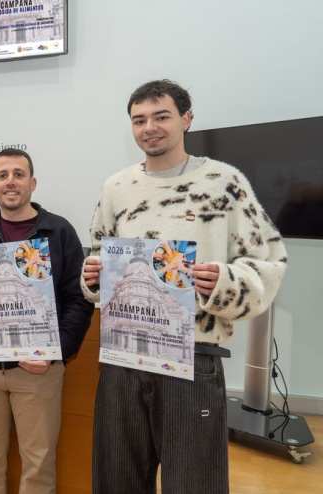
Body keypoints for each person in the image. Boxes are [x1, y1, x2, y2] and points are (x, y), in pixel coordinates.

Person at [81, 80, 288, 493]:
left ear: (186, 119)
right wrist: (93, 281)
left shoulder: (223, 183)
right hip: (123, 358)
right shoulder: (116, 188)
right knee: (116, 479)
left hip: (191, 357)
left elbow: (269, 261)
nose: (149, 128)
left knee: (194, 482)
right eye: (139, 120)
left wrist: (224, 281)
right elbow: (101, 258)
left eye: (161, 117)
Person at [0, 148, 94, 494]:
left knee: (38, 463)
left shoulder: (59, 232)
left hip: (38, 371)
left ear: (32, 183)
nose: (10, 182)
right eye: (2, 175)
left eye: (18, 174)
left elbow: (80, 299)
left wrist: (54, 352)